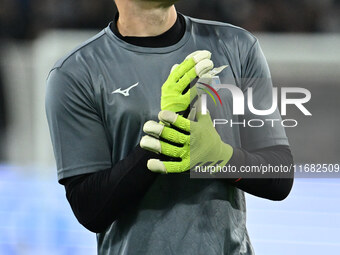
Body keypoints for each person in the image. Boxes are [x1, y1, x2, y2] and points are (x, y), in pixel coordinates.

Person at [45, 0, 294, 254]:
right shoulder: (75, 73)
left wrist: (220, 157)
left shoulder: (237, 45)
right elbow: (90, 208)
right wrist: (165, 137)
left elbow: (279, 176)